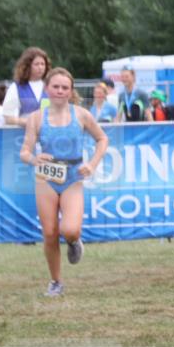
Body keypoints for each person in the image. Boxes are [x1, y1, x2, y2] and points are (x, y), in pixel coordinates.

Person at [19, 68, 108, 297]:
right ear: (47, 89)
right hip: (46, 177)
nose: (60, 91)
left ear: (71, 91)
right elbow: (25, 152)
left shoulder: (81, 115)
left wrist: (92, 164)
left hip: (72, 177)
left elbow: (102, 139)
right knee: (49, 233)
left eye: (65, 87)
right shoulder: (36, 118)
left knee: (69, 229)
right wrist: (34, 159)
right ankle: (56, 282)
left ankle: (74, 241)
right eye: (56, 86)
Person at [2, 47, 51, 126]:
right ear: (27, 66)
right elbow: (8, 117)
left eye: (43, 64)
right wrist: (27, 122)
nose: (40, 67)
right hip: (23, 132)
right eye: (36, 64)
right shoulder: (16, 87)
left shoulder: (50, 86)